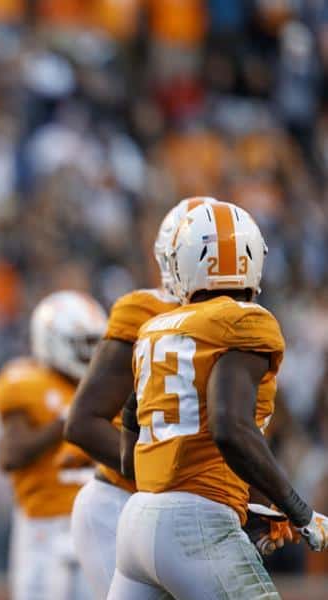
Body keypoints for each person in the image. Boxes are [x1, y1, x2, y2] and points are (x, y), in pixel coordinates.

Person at [108, 200, 328, 599]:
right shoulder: (245, 320)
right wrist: (299, 511)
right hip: (196, 528)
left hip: (137, 523)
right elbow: (229, 428)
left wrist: (244, 506)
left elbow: (129, 437)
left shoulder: (155, 330)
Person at [63, 197, 212, 598]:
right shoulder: (144, 309)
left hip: (179, 510)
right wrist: (169, 478)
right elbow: (82, 422)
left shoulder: (243, 323)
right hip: (120, 502)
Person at [0, 290, 106, 600]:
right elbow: (10, 455)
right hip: (46, 528)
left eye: (96, 344)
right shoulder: (28, 383)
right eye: (84, 346)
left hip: (97, 525)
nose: (91, 354)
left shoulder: (106, 388)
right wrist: (68, 420)